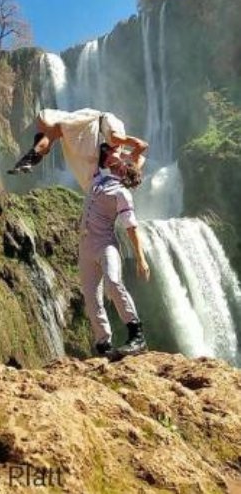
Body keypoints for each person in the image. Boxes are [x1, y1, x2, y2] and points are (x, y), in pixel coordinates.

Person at [79, 142, 150, 357]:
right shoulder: (99, 178)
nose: (118, 163)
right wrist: (120, 144)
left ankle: (137, 334)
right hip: (85, 247)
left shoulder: (122, 193)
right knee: (91, 296)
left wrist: (141, 259)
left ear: (125, 172)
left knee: (113, 282)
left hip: (105, 244)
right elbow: (101, 145)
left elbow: (131, 228)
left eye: (122, 165)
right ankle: (104, 344)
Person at [8, 107, 148, 192]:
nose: (113, 170)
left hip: (90, 140)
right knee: (49, 124)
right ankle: (32, 156)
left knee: (50, 128)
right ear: (125, 165)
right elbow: (142, 146)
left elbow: (139, 160)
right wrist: (133, 165)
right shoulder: (116, 138)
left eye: (115, 172)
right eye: (118, 169)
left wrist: (126, 176)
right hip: (94, 121)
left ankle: (33, 156)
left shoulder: (114, 166)